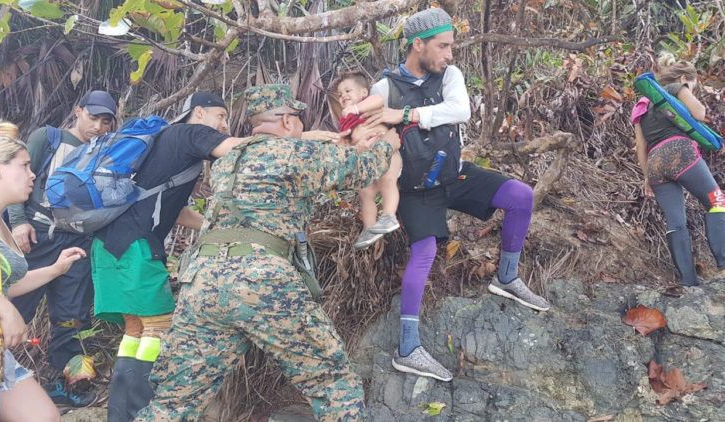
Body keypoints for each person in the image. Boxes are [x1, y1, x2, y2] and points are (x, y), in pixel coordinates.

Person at [135, 84, 400, 421]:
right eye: (299, 119)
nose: (302, 126)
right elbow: (361, 169)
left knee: (174, 401)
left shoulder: (228, 160)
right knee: (332, 380)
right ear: (288, 121)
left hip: (202, 284)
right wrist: (387, 146)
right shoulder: (290, 153)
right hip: (261, 280)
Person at [364, 8, 550, 382]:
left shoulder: (450, 75)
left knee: (520, 196)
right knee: (426, 251)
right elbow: (372, 140)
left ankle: (508, 278)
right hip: (415, 189)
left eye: (452, 45)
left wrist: (406, 116)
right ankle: (408, 348)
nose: (450, 53)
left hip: (454, 173)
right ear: (418, 44)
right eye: (443, 46)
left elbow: (460, 110)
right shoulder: (383, 88)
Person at [93, 92, 245, 422]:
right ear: (200, 112)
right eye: (220, 116)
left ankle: (121, 415)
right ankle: (143, 411)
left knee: (134, 328)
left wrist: (212, 227)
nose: (224, 125)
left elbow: (174, 211)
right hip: (136, 247)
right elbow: (239, 148)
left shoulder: (165, 141)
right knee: (158, 326)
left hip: (108, 244)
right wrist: (295, 139)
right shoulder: (190, 133)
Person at [7, 90, 117, 406]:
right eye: (93, 117)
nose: (97, 126)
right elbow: (18, 180)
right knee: (15, 304)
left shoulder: (105, 152)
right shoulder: (48, 137)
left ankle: (66, 387)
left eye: (105, 121)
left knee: (73, 316)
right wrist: (17, 221)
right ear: (78, 110)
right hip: (36, 233)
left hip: (78, 239)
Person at [0, 122, 86, 422]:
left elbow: (2, 285)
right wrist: (6, 310)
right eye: (24, 166)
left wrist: (55, 269)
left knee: (42, 416)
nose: (33, 174)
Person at [632, 52, 724, 286]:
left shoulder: (642, 104)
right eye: (693, 85)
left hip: (654, 163)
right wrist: (687, 91)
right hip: (680, 153)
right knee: (716, 201)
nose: (692, 89)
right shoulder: (677, 87)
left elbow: (641, 147)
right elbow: (700, 113)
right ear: (684, 78)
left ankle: (688, 281)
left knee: (675, 222)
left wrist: (646, 178)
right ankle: (723, 265)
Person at [330, 71, 403, 250]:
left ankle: (388, 216)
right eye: (340, 95)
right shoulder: (346, 120)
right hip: (366, 161)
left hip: (387, 151)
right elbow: (348, 141)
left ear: (363, 93)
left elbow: (378, 99)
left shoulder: (368, 105)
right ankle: (369, 229)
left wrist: (356, 109)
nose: (344, 96)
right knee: (365, 192)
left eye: (348, 91)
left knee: (387, 181)